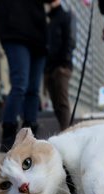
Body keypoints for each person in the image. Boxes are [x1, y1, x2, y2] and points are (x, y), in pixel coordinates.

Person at [0, 0, 54, 152]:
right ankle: (8, 135)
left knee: (33, 90)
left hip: (38, 36)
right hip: (15, 30)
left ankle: (29, 135)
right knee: (20, 84)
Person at [44, 0, 75, 131]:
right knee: (56, 104)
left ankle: (66, 134)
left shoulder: (67, 15)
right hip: (49, 68)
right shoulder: (49, 20)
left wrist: (63, 64)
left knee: (62, 103)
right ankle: (64, 131)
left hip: (61, 67)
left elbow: (70, 41)